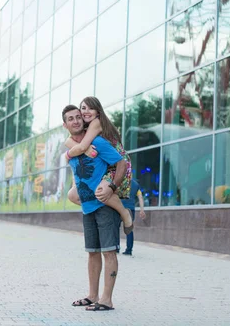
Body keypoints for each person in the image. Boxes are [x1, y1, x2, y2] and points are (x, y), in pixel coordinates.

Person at [63, 104, 127, 311]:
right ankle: (92, 295)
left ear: (83, 120)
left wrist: (113, 186)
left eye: (77, 117)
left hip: (105, 206)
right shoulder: (72, 147)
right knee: (92, 253)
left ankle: (106, 299)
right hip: (87, 208)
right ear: (65, 124)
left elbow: (121, 163)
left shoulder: (97, 142)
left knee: (109, 252)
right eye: (70, 119)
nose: (75, 121)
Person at [64, 97, 134, 235]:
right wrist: (75, 151)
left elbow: (83, 146)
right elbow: (70, 141)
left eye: (90, 108)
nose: (86, 112)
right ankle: (107, 205)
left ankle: (124, 213)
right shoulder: (86, 126)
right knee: (73, 195)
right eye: (83, 108)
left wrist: (70, 154)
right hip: (106, 164)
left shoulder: (96, 122)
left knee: (100, 191)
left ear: (98, 111)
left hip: (118, 163)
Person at [120, 179, 146, 256]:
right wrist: (142, 209)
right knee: (129, 229)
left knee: (115, 228)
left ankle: (116, 247)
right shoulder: (135, 184)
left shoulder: (120, 181)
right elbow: (140, 197)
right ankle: (129, 250)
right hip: (130, 209)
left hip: (119, 207)